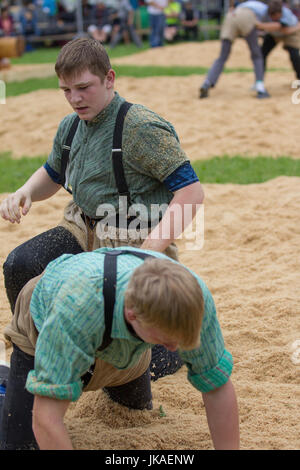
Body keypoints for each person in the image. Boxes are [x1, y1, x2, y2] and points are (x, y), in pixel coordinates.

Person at [0, 38, 204, 397]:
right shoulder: (70, 125)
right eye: (66, 90)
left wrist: (149, 252)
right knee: (21, 263)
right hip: (82, 227)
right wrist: (25, 192)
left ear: (109, 79)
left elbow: (191, 193)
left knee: (132, 357)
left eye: (83, 88)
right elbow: (53, 172)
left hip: (131, 239)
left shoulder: (140, 127)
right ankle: (44, 353)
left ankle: (153, 357)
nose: (75, 98)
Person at [0, 247, 239, 450]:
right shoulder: (76, 309)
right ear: (132, 314)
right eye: (165, 339)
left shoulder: (193, 298)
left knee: (133, 413)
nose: (174, 347)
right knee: (19, 441)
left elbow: (216, 383)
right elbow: (46, 420)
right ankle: (4, 374)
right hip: (46, 324)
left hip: (119, 343)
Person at [199, 0, 275, 99]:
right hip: (246, 17)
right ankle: (260, 88)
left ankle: (207, 82)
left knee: (222, 56)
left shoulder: (246, 4)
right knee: (257, 55)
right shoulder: (265, 9)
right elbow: (264, 25)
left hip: (232, 15)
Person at [256, 0, 300, 81]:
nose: (274, 18)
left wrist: (261, 25)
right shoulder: (264, 13)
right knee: (262, 53)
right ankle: (259, 80)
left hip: (290, 33)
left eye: (276, 16)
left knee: (294, 56)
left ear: (281, 12)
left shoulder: (287, 14)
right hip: (274, 34)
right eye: (272, 17)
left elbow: (285, 30)